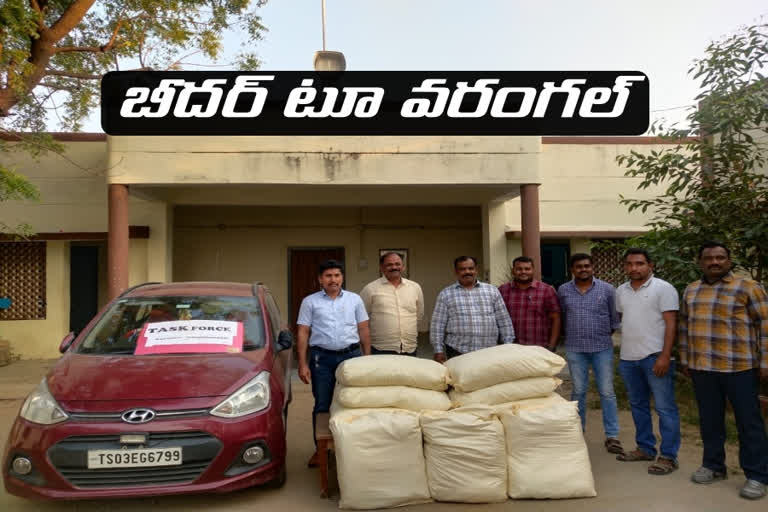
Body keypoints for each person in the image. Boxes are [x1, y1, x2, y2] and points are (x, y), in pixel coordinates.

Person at [680, 241, 768, 500]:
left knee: (749, 423)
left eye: (720, 258)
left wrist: (765, 363)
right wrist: (685, 359)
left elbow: (765, 325)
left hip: (739, 367)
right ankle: (714, 466)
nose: (714, 262)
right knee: (710, 420)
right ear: (700, 262)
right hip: (702, 367)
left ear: (729, 261)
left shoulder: (748, 287)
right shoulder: (691, 290)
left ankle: (757, 475)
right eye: (709, 258)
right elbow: (685, 327)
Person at [296, 259, 371, 468]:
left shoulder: (354, 300)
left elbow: (363, 328)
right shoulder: (310, 302)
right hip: (322, 359)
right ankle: (320, 451)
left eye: (337, 275)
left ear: (342, 278)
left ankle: (352, 447)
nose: (333, 280)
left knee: (354, 401)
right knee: (322, 404)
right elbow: (303, 332)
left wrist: (368, 357)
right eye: (328, 276)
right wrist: (302, 363)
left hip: (352, 357)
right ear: (320, 279)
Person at [615, 248, 681, 475]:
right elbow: (626, 319)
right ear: (625, 266)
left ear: (650, 265)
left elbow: (671, 324)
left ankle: (669, 456)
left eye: (639, 263)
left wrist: (665, 355)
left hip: (655, 357)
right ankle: (645, 448)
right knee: (638, 406)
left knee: (665, 408)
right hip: (628, 359)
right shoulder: (621, 291)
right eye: (630, 264)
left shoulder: (664, 289)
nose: (634, 268)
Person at [558, 253, 624, 455]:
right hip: (575, 348)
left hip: (601, 347)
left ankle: (612, 436)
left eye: (587, 266)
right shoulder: (563, 290)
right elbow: (561, 316)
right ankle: (578, 432)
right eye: (579, 266)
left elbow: (614, 318)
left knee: (606, 391)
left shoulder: (607, 289)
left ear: (592, 267)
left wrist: (602, 334)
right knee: (578, 391)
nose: (583, 269)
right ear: (572, 269)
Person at [430, 256, 515, 362]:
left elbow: (504, 320)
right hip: (457, 351)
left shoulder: (492, 291)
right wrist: (438, 350)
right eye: (462, 269)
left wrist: (508, 344)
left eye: (471, 268)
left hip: (489, 350)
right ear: (456, 272)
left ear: (476, 270)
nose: (467, 272)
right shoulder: (446, 294)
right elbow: (438, 324)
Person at [360, 251, 424, 356]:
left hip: (409, 347)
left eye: (397, 264)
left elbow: (419, 315)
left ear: (403, 266)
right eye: (389, 265)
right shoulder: (370, 289)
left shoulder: (415, 287)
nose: (394, 267)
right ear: (381, 267)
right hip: (381, 348)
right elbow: (362, 319)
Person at [498, 256, 561, 350]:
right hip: (510, 347)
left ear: (533, 270)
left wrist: (552, 345)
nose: (523, 272)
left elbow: (556, 318)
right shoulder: (503, 290)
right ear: (513, 270)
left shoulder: (546, 290)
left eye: (527, 269)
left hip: (539, 347)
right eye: (519, 269)